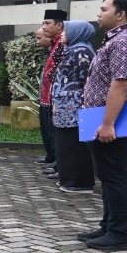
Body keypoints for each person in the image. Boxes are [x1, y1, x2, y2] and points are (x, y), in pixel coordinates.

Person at [78, 0, 127, 251]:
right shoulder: (115, 39)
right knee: (105, 174)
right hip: (99, 116)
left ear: (121, 14)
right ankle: (108, 225)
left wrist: (108, 124)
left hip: (114, 118)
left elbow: (122, 83)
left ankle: (119, 233)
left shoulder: (126, 40)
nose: (99, 13)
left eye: (104, 9)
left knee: (115, 175)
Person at [50, 20, 96, 195]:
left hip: (74, 108)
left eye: (65, 30)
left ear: (77, 32)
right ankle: (69, 179)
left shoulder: (81, 52)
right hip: (65, 108)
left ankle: (78, 182)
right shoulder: (73, 50)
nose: (61, 33)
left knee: (74, 145)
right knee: (66, 144)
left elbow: (87, 81)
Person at [37, 10, 66, 173]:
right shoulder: (54, 43)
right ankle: (53, 158)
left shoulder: (63, 44)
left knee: (56, 133)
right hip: (47, 95)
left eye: (47, 23)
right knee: (48, 130)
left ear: (59, 25)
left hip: (56, 97)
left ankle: (58, 162)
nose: (44, 27)